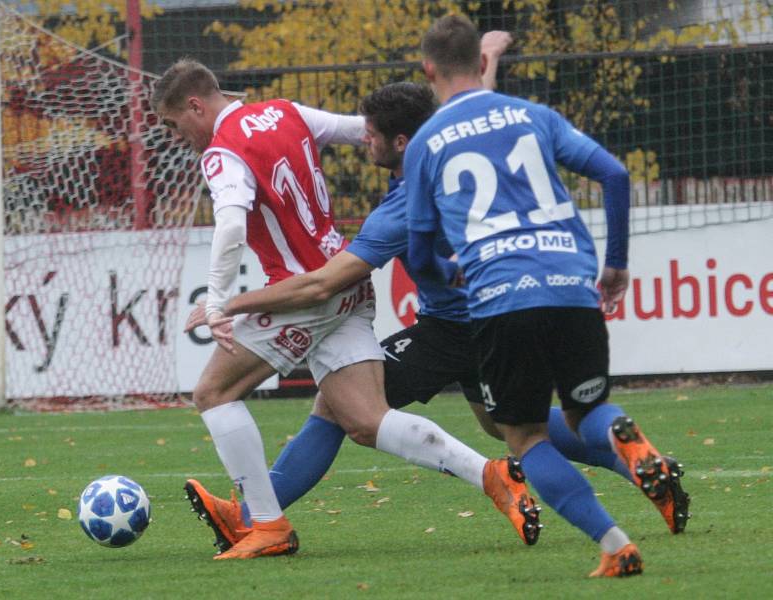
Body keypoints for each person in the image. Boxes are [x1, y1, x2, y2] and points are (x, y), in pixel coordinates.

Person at [183, 31, 682, 556]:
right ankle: (647, 466)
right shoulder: (469, 137)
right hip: (520, 301)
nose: (363, 142)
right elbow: (484, 108)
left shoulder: (403, 202)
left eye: (372, 136)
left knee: (342, 410)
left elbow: (325, 281)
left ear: (400, 143)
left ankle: (258, 516)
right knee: (504, 422)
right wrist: (486, 61)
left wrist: (229, 302)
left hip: (458, 325)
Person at [152, 57, 539, 560]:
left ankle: (266, 523)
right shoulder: (286, 112)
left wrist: (218, 298)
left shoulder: (223, 152)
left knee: (213, 392)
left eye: (172, 122)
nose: (174, 134)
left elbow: (229, 225)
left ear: (195, 105)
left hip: (304, 292)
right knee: (363, 419)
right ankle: (491, 475)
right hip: (347, 280)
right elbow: (368, 132)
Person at [404, 15, 690, 578]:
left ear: (427, 69)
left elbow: (418, 257)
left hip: (501, 298)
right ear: (480, 62)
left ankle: (615, 544)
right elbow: (613, 174)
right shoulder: (535, 116)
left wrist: (447, 276)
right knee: (588, 411)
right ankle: (624, 438)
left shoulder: (425, 143)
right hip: (571, 285)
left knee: (524, 436)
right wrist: (617, 264)